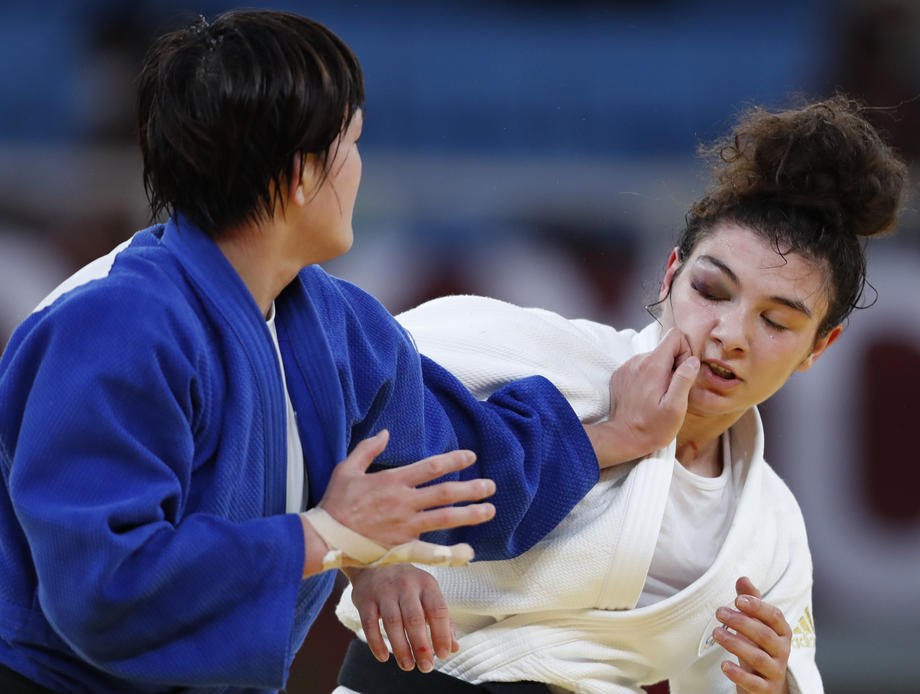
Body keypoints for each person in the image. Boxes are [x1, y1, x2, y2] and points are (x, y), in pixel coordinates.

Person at [0, 10, 696, 694]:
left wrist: (612, 434)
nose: (359, 169)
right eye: (352, 142)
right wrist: (327, 537)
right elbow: (105, 584)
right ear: (301, 174)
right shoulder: (114, 325)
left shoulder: (332, 322)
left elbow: (450, 469)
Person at [334, 95, 909, 694]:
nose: (731, 335)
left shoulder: (770, 526)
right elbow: (325, 388)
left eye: (776, 321)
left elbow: (758, 681)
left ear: (820, 345)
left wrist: (775, 687)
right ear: (670, 275)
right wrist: (368, 559)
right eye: (712, 291)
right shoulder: (545, 354)